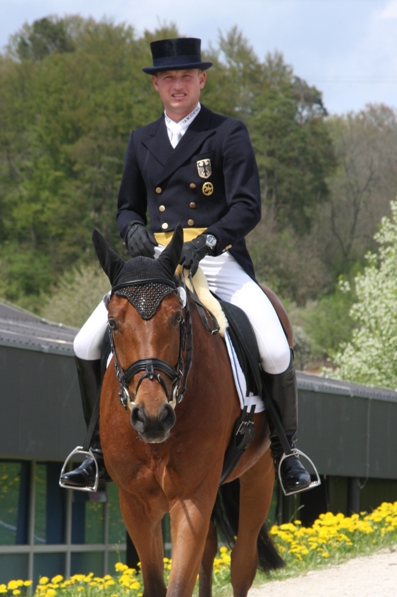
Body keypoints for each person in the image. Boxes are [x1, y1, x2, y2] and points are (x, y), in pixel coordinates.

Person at [61, 37, 312, 495]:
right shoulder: (142, 140)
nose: (178, 86)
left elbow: (246, 206)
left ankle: (286, 452)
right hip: (155, 267)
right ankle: (94, 451)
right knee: (83, 343)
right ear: (157, 85)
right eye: (168, 79)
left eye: (186, 77)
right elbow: (126, 208)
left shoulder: (226, 133)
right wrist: (132, 230)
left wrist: (210, 239)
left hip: (216, 260)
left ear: (201, 80)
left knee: (275, 348)